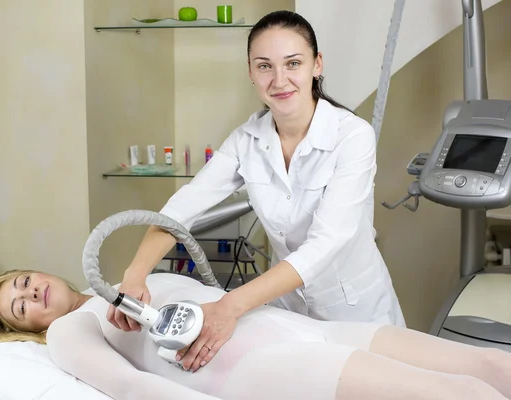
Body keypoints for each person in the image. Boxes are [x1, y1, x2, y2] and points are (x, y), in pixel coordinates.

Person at [109, 10, 405, 372]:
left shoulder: (352, 136)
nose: (280, 80)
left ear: (317, 65)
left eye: (293, 63)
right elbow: (182, 208)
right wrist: (134, 277)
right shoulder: (246, 141)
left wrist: (230, 306)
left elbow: (326, 243)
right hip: (289, 309)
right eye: (265, 66)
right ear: (251, 72)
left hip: (357, 311)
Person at [0, 268, 511, 400]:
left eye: (26, 282)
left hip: (307, 330)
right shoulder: (68, 332)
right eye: (20, 306)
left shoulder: (131, 278)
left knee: (490, 367)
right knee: (461, 396)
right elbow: (131, 387)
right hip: (267, 369)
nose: (32, 295)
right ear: (23, 328)